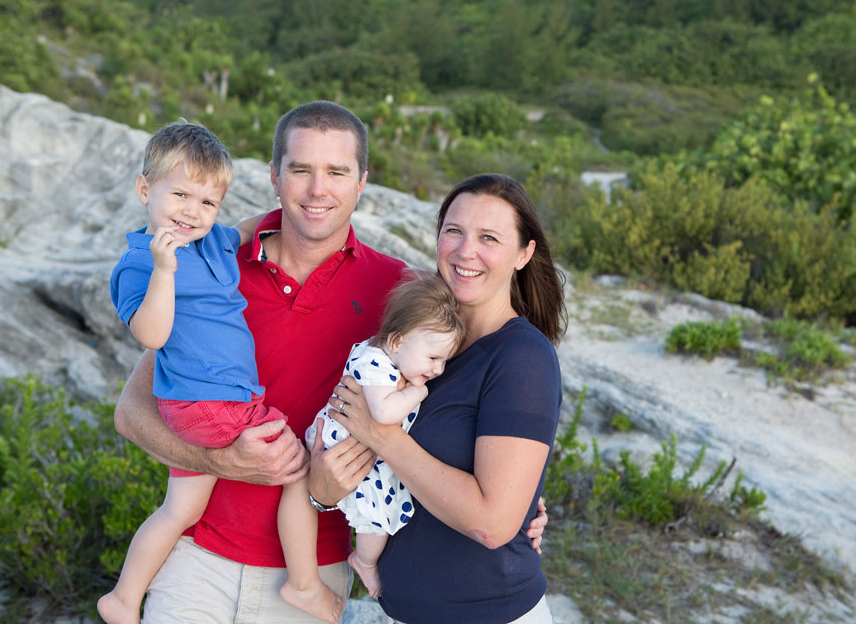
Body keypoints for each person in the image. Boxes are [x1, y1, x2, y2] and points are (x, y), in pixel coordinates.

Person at [112, 104, 547, 624]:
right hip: (197, 559)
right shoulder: (210, 270)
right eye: (300, 169)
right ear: (274, 177)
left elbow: (462, 411)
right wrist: (219, 461)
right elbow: (132, 412)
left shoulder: (400, 295)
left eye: (337, 172)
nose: (318, 189)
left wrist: (523, 507)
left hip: (313, 574)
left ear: (361, 182)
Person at [100, 122, 343, 624]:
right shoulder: (140, 264)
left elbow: (247, 229)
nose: (192, 212)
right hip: (211, 404)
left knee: (180, 509)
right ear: (146, 189)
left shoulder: (211, 243)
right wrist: (164, 272)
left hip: (210, 401)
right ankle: (304, 585)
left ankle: (123, 599)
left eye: (207, 203)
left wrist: (293, 209)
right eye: (180, 195)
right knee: (300, 457)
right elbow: (151, 334)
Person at [328, 173, 567, 624]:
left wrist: (380, 435)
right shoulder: (422, 342)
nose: (465, 251)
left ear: (524, 253)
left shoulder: (523, 358)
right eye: (453, 231)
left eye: (489, 238)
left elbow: (492, 523)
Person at [305, 272, 467, 599]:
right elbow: (383, 413)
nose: (437, 370)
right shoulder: (375, 361)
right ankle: (364, 561)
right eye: (433, 358)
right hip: (344, 446)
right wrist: (417, 393)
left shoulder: (389, 361)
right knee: (375, 520)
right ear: (397, 342)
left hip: (354, 447)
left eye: (444, 361)